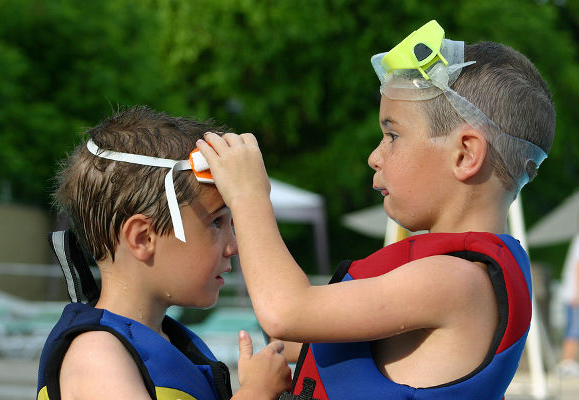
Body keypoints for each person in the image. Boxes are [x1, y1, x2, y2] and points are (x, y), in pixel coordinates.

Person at [196, 20, 556, 400]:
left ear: (465, 154)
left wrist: (248, 195)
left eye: (393, 135)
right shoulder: (446, 276)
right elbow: (297, 334)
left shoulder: (456, 282)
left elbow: (285, 313)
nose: (374, 156)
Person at [36, 106, 292, 400]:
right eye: (216, 222)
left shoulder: (165, 343)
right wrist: (257, 392)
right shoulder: (95, 354)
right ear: (143, 238)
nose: (234, 245)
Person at [559, 232, 579, 376]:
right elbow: (577, 267)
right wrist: (577, 293)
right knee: (574, 329)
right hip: (574, 294)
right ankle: (567, 363)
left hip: (572, 293)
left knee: (574, 328)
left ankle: (569, 362)